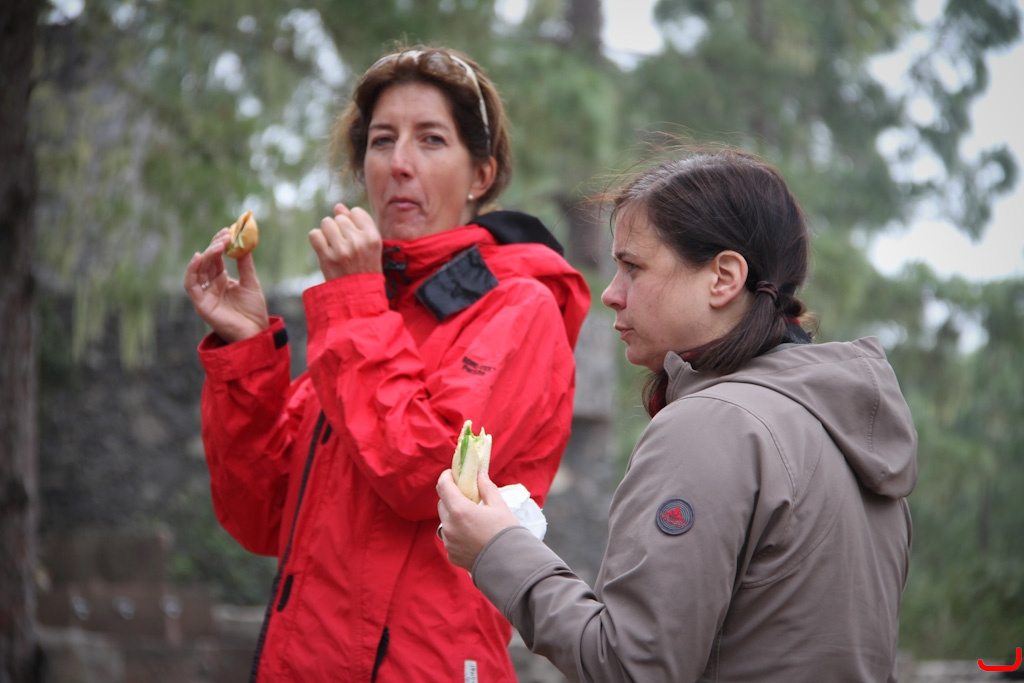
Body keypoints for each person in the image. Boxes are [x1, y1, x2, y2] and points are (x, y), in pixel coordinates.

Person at [184, 45, 591, 682]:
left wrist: (354, 302)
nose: (400, 163)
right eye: (381, 141)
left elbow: (425, 477)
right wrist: (246, 352)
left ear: (481, 174)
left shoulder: (520, 307)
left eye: (431, 140)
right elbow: (261, 517)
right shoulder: (370, 313)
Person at [436, 147, 918, 682]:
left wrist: (499, 550)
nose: (611, 294)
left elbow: (630, 666)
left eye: (633, 267)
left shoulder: (713, 426)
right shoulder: (851, 436)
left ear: (723, 278)